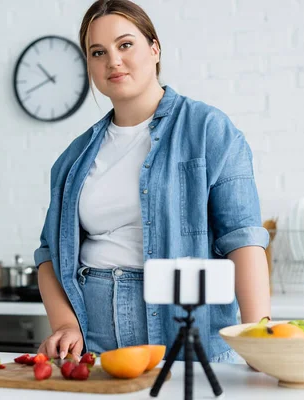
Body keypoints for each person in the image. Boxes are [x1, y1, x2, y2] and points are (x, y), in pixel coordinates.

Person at [35, 0, 270, 364]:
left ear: (154, 48)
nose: (112, 60)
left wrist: (261, 343)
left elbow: (243, 240)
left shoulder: (208, 129)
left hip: (189, 344)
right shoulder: (74, 157)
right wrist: (66, 324)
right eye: (98, 52)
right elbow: (50, 255)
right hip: (95, 348)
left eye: (125, 44)